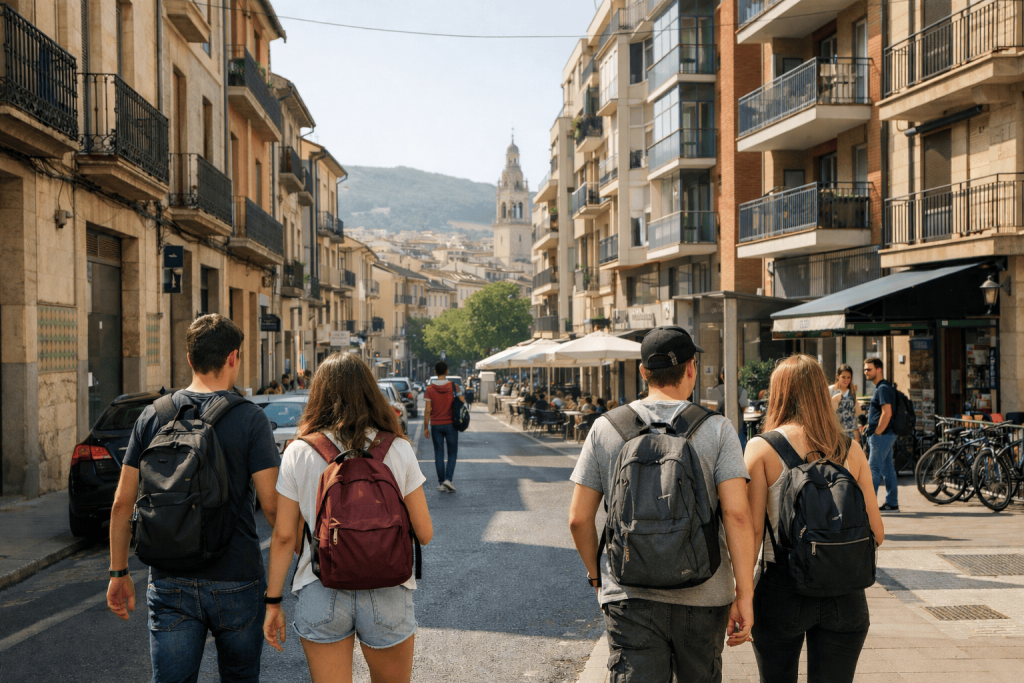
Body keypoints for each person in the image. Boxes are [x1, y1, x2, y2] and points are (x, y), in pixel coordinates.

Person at [568, 326, 756, 682]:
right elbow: (737, 514)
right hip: (704, 593)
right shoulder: (717, 429)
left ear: (643, 372)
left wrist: (597, 576)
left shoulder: (606, 428)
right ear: (691, 368)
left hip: (628, 593)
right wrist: (743, 594)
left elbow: (578, 519)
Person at [106, 314, 281, 682]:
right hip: (237, 576)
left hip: (170, 578)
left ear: (189, 359)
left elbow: (123, 502)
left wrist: (119, 571)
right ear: (234, 357)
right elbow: (272, 506)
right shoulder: (251, 419)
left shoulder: (153, 416)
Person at [262, 352, 433, 682]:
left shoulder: (299, 451)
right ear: (371, 391)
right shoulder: (397, 448)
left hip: (321, 585)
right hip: (388, 590)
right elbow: (424, 533)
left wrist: (272, 603)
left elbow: (284, 536)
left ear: (319, 394)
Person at [744, 355, 885, 683]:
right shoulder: (850, 449)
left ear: (777, 394)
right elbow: (876, 533)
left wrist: (741, 598)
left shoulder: (761, 449)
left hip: (781, 590)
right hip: (845, 594)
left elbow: (750, 535)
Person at [863, 357, 899, 513]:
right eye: (864, 369)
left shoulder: (883, 388)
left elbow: (887, 413)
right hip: (886, 434)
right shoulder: (883, 387)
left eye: (869, 369)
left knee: (873, 469)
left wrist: (877, 432)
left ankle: (869, 507)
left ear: (879, 370)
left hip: (882, 436)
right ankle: (892, 503)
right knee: (887, 469)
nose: (866, 372)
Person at [424, 361, 463, 493]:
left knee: (439, 453)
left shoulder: (429, 389)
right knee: (452, 452)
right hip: (451, 424)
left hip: (436, 425)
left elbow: (427, 410)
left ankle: (441, 482)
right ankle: (448, 480)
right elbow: (462, 401)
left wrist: (425, 427)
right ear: (447, 372)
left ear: (435, 372)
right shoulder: (454, 387)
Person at [707, 367, 750, 450]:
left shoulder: (714, 391)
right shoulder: (742, 391)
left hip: (718, 432)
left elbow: (711, 409)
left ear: (721, 376)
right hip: (738, 430)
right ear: (737, 375)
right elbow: (744, 409)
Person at [830, 364, 862, 443]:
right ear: (838, 376)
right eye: (843, 377)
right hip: (835, 432)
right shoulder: (830, 390)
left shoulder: (852, 391)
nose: (846, 380)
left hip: (851, 432)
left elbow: (853, 414)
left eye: (849, 377)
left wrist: (857, 436)